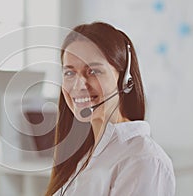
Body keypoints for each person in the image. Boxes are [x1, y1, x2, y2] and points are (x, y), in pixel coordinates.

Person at [45, 22, 175, 196]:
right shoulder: (86, 154)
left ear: (124, 80)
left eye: (93, 71)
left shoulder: (143, 159)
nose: (78, 85)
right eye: (69, 73)